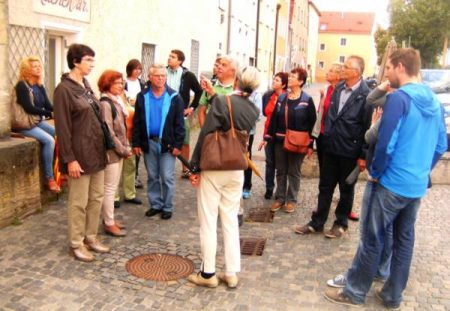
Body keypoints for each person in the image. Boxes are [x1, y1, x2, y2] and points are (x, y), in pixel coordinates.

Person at [325, 48, 447, 309]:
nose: (387, 73)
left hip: (389, 183)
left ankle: (354, 292)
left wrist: (376, 173)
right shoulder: (433, 101)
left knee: (372, 237)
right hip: (414, 187)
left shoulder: (399, 99)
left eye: (389, 68)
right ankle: (392, 295)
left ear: (400, 67)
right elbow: (440, 145)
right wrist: (423, 171)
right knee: (404, 241)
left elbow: (386, 143)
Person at [187, 66, 260, 289]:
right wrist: (213, 94)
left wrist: (194, 166)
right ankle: (231, 272)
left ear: (236, 80)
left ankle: (207, 274)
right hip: (237, 167)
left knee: (208, 220)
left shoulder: (221, 102)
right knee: (229, 220)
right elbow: (232, 106)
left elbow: (206, 134)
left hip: (214, 165)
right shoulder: (253, 109)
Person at [327, 80, 395, 288]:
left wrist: (376, 168)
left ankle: (356, 283)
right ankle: (384, 275)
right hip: (410, 180)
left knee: (371, 231)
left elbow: (372, 135)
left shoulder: (396, 102)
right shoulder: (428, 103)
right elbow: (440, 144)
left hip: (384, 177)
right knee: (392, 230)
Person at [295, 55, 371, 238]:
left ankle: (340, 223)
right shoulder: (338, 90)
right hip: (330, 147)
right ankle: (317, 222)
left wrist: (363, 155)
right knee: (325, 186)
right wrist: (326, 137)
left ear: (356, 72)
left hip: (350, 151)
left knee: (346, 189)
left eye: (345, 67)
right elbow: (329, 116)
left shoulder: (366, 95)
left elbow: (368, 127)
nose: (342, 69)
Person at [54, 44, 110, 262]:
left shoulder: (85, 85)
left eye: (92, 60)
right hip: (79, 155)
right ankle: (76, 243)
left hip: (96, 152)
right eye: (88, 60)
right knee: (78, 201)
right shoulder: (63, 90)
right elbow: (63, 128)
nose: (92, 64)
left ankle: (90, 237)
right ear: (75, 61)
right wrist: (69, 159)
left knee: (96, 197)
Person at [132, 64, 185, 220]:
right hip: (149, 143)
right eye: (157, 76)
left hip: (167, 145)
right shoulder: (143, 96)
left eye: (163, 76)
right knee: (152, 176)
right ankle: (156, 204)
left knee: (167, 177)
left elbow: (180, 124)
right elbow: (137, 122)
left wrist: (178, 145)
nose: (161, 78)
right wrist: (136, 143)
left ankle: (167, 206)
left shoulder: (174, 97)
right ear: (150, 77)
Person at [261, 68, 316, 214]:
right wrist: (267, 137)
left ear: (301, 81)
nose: (290, 78)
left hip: (298, 142)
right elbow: (273, 119)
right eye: (290, 76)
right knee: (281, 170)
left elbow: (312, 123)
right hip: (280, 141)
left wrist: (311, 143)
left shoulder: (306, 100)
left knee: (294, 171)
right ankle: (280, 198)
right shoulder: (282, 98)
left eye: (293, 77)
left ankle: (291, 200)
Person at [13, 56, 60, 193]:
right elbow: (29, 108)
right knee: (49, 140)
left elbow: (48, 105)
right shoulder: (22, 86)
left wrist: (59, 111)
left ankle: (60, 172)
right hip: (24, 124)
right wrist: (50, 114)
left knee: (59, 134)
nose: (38, 68)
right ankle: (49, 178)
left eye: (39, 66)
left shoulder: (39, 86)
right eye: (34, 66)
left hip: (36, 122)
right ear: (27, 69)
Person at [98, 70, 133, 237]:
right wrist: (124, 150)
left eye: (122, 83)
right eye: (117, 83)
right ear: (107, 83)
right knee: (109, 188)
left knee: (112, 187)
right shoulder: (106, 103)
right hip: (111, 152)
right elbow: (109, 132)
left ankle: (109, 218)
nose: (121, 86)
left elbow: (122, 129)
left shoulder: (117, 101)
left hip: (118, 151)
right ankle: (109, 222)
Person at [166, 49, 203, 178]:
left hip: (181, 114)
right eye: (169, 56)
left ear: (180, 61)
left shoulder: (188, 75)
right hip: (164, 113)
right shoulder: (163, 73)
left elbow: (199, 92)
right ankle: (165, 168)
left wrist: (191, 108)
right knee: (164, 140)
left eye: (173, 57)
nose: (169, 58)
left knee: (184, 141)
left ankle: (186, 169)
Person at [258, 72, 288, 199]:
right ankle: (269, 188)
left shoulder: (288, 97)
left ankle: (281, 192)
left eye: (277, 80)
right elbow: (265, 113)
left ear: (284, 84)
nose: (273, 81)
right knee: (269, 162)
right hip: (268, 133)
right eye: (274, 79)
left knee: (281, 164)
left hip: (281, 134)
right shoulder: (268, 95)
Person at [124, 59, 146, 191]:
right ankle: (126, 177)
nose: (138, 71)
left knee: (137, 147)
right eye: (135, 68)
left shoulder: (142, 83)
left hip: (138, 116)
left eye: (139, 69)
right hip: (127, 117)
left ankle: (135, 175)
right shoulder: (124, 82)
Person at [198, 56, 237, 128]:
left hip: (228, 136)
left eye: (223, 65)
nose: (219, 66)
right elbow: (201, 111)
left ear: (233, 71)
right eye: (219, 64)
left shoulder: (238, 89)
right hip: (210, 134)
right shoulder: (210, 85)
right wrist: (204, 133)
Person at [242, 89, 262, 199]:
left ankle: (246, 186)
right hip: (234, 130)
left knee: (246, 157)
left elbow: (258, 115)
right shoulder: (238, 91)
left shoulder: (256, 94)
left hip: (248, 131)